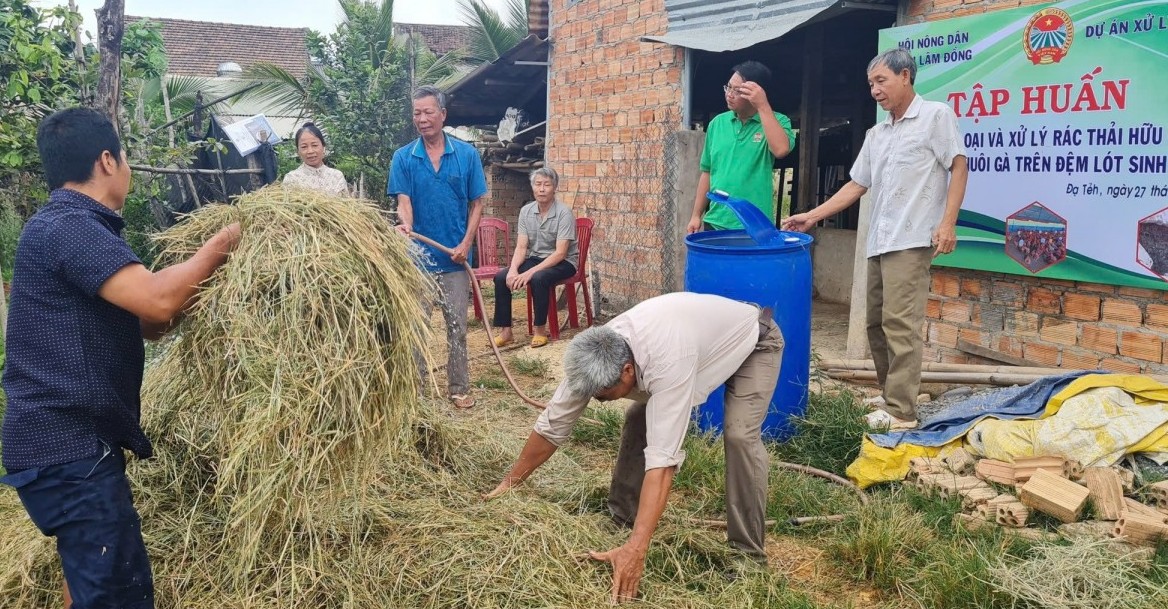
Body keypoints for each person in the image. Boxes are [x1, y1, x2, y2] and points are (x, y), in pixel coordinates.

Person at [0, 107, 241, 608]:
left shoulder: (69, 228)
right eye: (125, 157)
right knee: (117, 595)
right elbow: (156, 299)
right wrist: (223, 244)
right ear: (108, 160)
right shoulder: (70, 226)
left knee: (90, 578)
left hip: (64, 448)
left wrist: (205, 286)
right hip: (68, 448)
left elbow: (153, 322)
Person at [485, 292, 784, 604]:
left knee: (739, 437)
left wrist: (636, 550)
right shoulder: (596, 353)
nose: (597, 400)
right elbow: (553, 424)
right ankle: (622, 516)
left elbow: (662, 463)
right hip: (696, 344)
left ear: (628, 371)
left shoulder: (668, 361)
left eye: (602, 395)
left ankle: (749, 557)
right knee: (638, 416)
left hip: (755, 343)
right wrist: (510, 483)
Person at [783, 48, 968, 430]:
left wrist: (948, 223)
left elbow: (959, 165)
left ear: (905, 76)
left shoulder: (935, 116)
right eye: (870, 84)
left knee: (901, 323)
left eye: (881, 81)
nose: (874, 90)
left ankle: (902, 412)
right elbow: (857, 184)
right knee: (876, 323)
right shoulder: (877, 133)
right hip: (880, 240)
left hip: (912, 237)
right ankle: (891, 394)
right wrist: (813, 216)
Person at [388, 85, 487, 410]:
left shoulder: (467, 155)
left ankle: (459, 388)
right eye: (417, 112)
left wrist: (466, 243)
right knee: (416, 329)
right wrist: (406, 226)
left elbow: (477, 204)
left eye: (428, 111)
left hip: (455, 260)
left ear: (443, 115)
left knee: (457, 328)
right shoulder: (404, 157)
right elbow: (404, 201)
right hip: (416, 260)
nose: (422, 118)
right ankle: (415, 394)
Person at [687, 60, 796, 234]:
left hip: (754, 225)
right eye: (728, 87)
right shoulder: (717, 124)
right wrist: (696, 215)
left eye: (737, 91)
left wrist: (763, 105)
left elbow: (781, 150)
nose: (729, 94)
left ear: (756, 94)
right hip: (715, 221)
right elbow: (707, 171)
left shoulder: (778, 121)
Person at [492, 167, 578, 349]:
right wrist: (514, 270)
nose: (542, 189)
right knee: (501, 277)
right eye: (538, 184)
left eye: (547, 184)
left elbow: (560, 253)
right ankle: (506, 332)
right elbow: (522, 247)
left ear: (554, 188)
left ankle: (540, 330)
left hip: (564, 262)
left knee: (539, 278)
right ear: (532, 187)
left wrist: (529, 273)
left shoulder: (564, 213)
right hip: (536, 258)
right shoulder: (526, 211)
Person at [282, 121, 349, 196]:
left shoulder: (337, 176)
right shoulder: (292, 179)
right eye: (304, 147)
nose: (310, 151)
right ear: (298, 151)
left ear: (323, 147)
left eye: (314, 145)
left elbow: (348, 205)